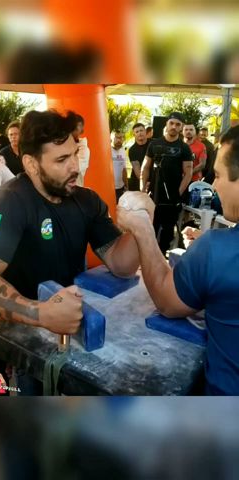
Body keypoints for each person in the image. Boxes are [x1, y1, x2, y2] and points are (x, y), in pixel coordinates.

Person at [0, 109, 150, 395]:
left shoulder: (86, 200)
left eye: (75, 154)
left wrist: (141, 226)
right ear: (30, 163)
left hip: (75, 328)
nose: (75, 166)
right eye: (62, 159)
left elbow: (121, 262)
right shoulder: (7, 202)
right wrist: (40, 313)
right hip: (28, 337)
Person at [117, 125, 239, 395]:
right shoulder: (216, 249)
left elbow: (166, 298)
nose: (214, 185)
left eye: (218, 175)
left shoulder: (217, 251)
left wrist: (142, 230)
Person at [141, 112, 193, 256]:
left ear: (181, 127)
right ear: (167, 124)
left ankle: (161, 257)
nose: (174, 127)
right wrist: (142, 190)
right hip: (153, 196)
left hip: (171, 200)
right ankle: (147, 257)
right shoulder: (154, 144)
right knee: (149, 229)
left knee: (167, 233)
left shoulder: (184, 148)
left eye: (178, 124)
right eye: (172, 123)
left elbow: (188, 173)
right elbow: (145, 167)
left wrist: (177, 194)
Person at [128, 123, 150, 191]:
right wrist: (145, 183)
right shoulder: (132, 150)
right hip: (138, 183)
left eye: (141, 130)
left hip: (153, 182)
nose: (139, 133)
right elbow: (137, 170)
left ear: (145, 132)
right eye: (137, 132)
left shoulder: (153, 144)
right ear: (134, 134)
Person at [71, 113, 90, 187]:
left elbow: (75, 169)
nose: (71, 131)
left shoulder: (84, 150)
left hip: (74, 191)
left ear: (81, 130)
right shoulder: (61, 145)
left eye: (75, 128)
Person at [111, 131, 128, 203]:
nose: (119, 140)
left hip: (120, 188)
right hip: (109, 188)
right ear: (111, 138)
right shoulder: (106, 149)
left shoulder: (123, 151)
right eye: (117, 137)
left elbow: (124, 169)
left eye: (121, 138)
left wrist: (126, 185)